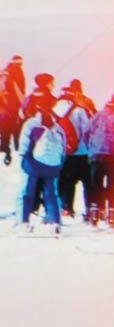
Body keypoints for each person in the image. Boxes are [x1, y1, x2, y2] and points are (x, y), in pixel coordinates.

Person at [18, 75, 73, 233]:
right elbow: (63, 145)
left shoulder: (32, 123)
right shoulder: (56, 126)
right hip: (52, 165)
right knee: (50, 193)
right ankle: (55, 222)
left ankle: (24, 222)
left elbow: (24, 145)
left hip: (34, 163)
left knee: (28, 192)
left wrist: (23, 158)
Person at [54, 79, 96, 222]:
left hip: (64, 152)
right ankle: (89, 209)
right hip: (82, 151)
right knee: (87, 183)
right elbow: (87, 129)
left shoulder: (54, 110)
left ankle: (67, 208)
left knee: (67, 181)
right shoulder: (79, 110)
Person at [88, 92, 114, 228]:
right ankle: (111, 215)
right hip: (113, 155)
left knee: (96, 185)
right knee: (112, 186)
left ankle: (95, 213)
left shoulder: (98, 115)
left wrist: (91, 148)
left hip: (97, 154)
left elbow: (88, 130)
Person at [0, 55, 24, 166]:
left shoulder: (4, 72)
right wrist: (23, 105)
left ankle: (3, 151)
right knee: (17, 131)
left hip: (2, 109)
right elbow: (19, 91)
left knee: (4, 132)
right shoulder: (17, 72)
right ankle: (17, 153)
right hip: (13, 108)